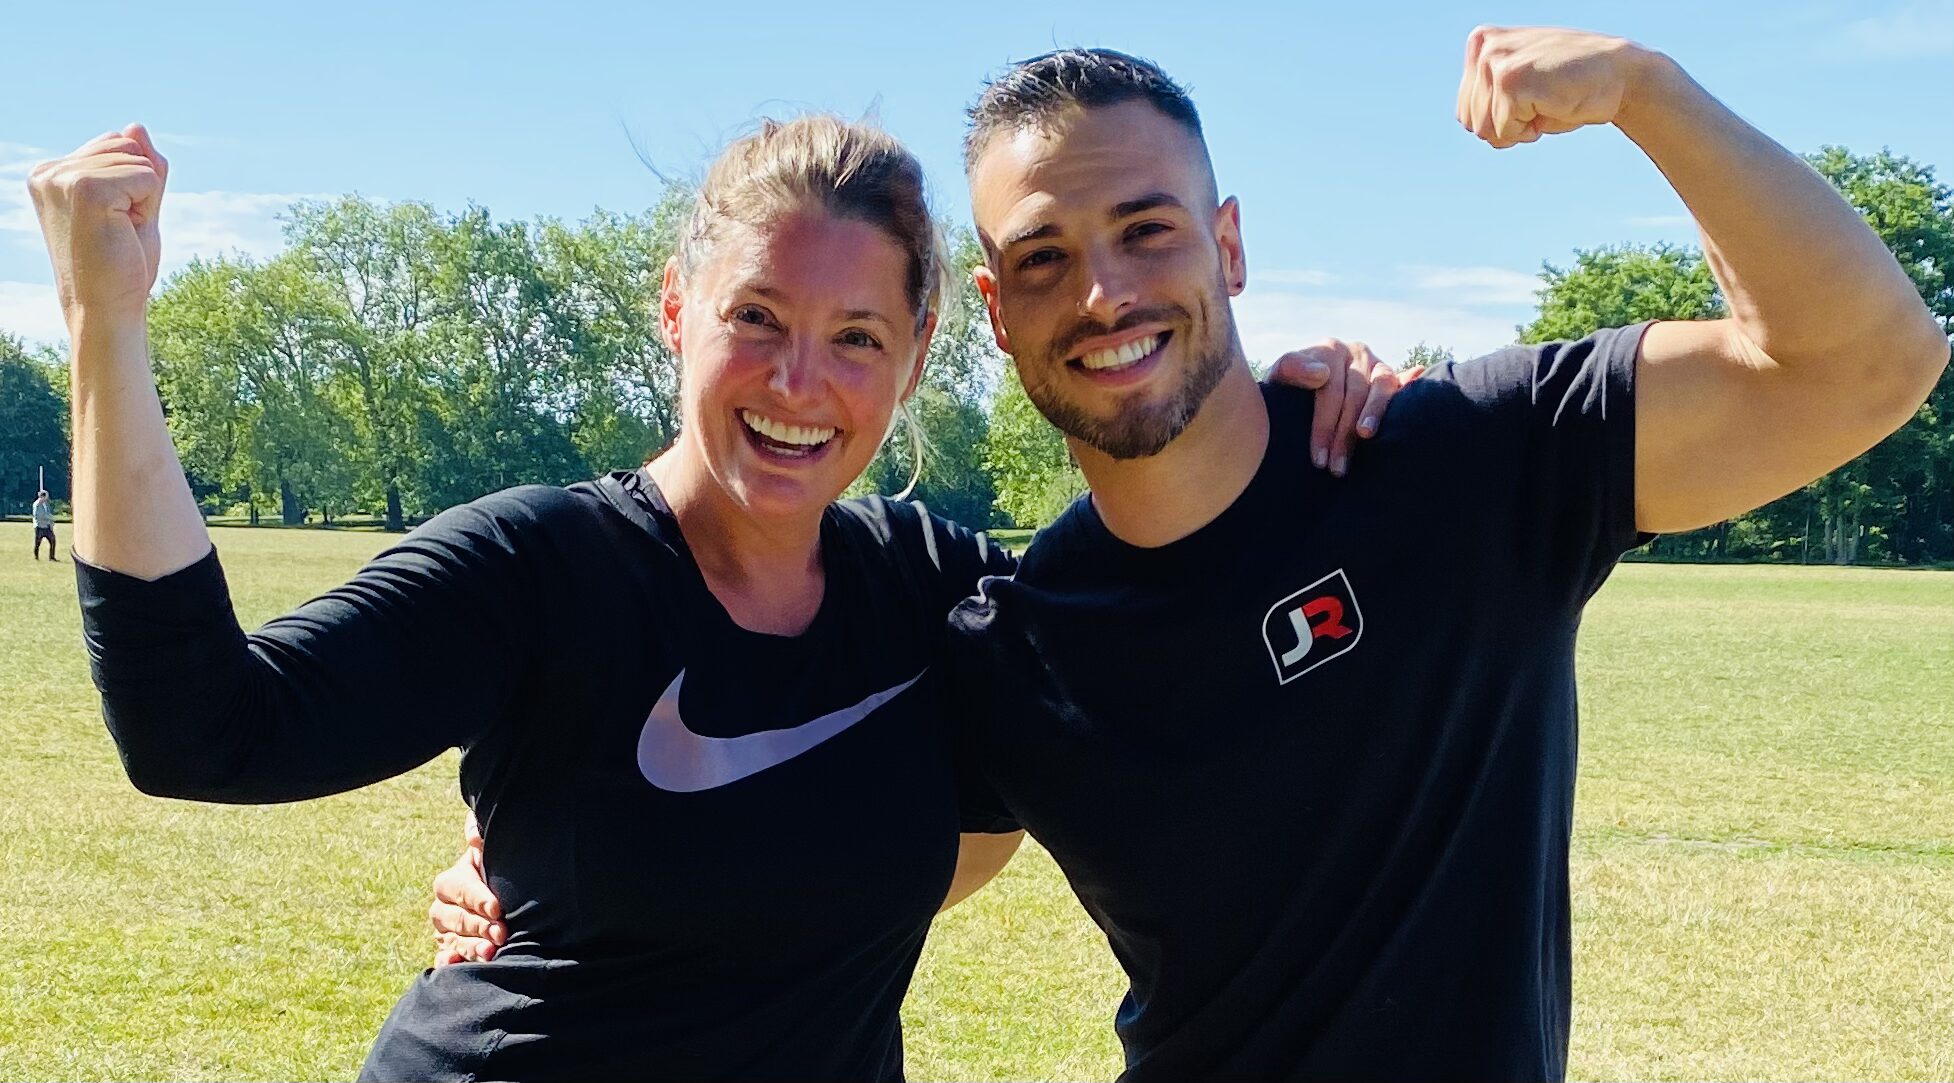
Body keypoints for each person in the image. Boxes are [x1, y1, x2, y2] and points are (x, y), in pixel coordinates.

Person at [423, 27, 1949, 1083]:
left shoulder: (1460, 465)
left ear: (1227, 243)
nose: (1101, 290)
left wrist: (1642, 89)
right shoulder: (1011, 638)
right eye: (1043, 257)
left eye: (1145, 229)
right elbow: (855, 850)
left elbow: (1866, 360)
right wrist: (545, 874)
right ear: (995, 313)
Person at [31, 113, 1402, 1079]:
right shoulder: (536, 567)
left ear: (918, 348)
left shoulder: (937, 592)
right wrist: (106, 327)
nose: (799, 383)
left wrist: (1305, 414)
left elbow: (1177, 619)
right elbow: (201, 729)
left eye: (854, 336)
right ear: (677, 308)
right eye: (756, 317)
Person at [32, 490, 58, 560]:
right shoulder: (37, 504)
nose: (47, 498)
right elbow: (39, 516)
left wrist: (51, 521)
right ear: (42, 496)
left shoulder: (45, 504)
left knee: (53, 541)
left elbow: (47, 513)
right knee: (38, 543)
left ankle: (52, 557)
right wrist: (50, 518)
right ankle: (36, 557)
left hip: (47, 527)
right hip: (40, 527)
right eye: (46, 496)